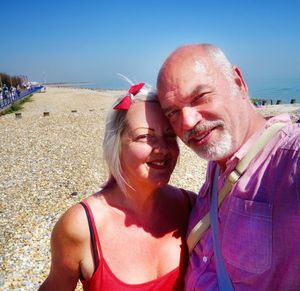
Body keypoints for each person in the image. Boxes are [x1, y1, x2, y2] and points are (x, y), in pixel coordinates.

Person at [157, 44, 300, 290]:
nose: (187, 122)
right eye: (173, 113)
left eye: (200, 97)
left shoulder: (289, 159)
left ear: (238, 82)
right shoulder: (217, 164)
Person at [39, 82, 195, 290]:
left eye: (169, 136)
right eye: (145, 137)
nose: (163, 148)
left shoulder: (190, 207)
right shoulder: (81, 227)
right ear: (116, 144)